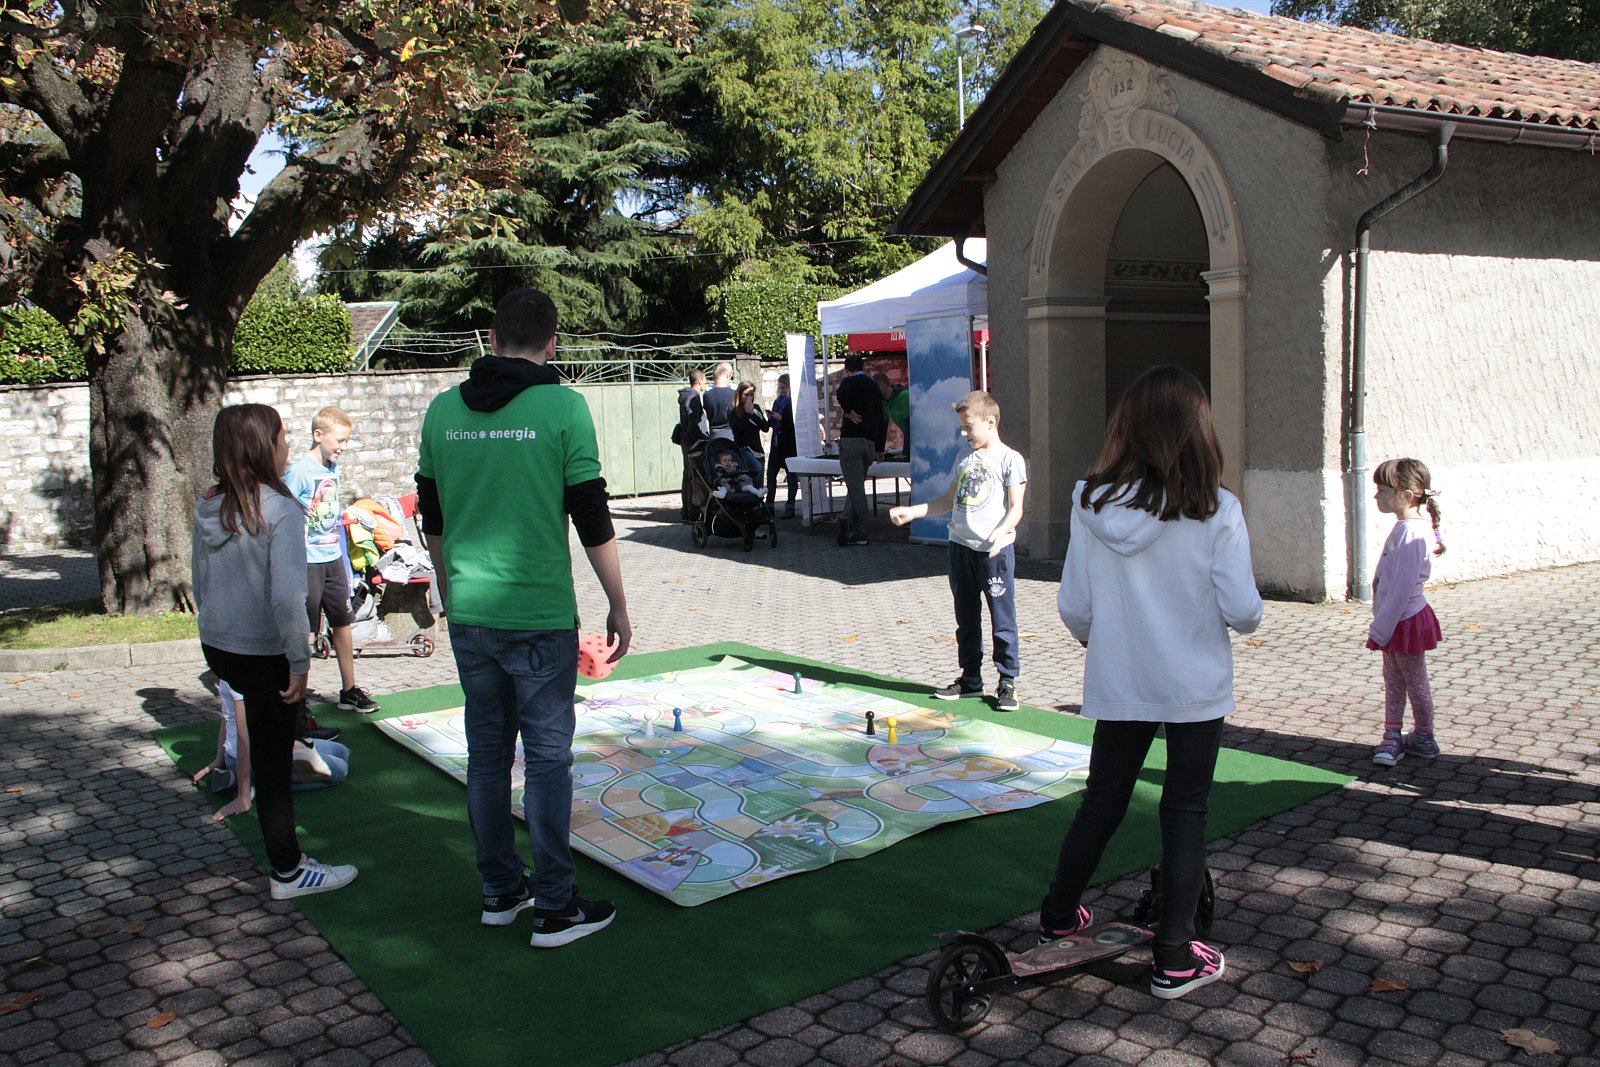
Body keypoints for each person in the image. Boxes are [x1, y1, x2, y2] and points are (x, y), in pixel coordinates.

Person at [1036, 365, 1262, 1001]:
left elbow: (1074, 605)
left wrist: (1105, 639)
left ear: (1126, 427)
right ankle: (1174, 956)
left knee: (1102, 800)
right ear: (1198, 429)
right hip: (1195, 683)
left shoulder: (1090, 502)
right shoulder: (1217, 508)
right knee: (1185, 812)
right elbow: (1244, 611)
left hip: (1122, 675)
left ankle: (1058, 916)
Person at [415, 287, 630, 949]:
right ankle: (556, 907)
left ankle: (501, 888)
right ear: (552, 343)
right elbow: (590, 512)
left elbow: (433, 517)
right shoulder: (563, 407)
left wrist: (448, 591)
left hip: (472, 612)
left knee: (486, 757)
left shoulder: (442, 410)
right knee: (545, 760)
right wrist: (619, 602)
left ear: (491, 336)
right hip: (538, 613)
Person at [191, 403, 358, 900]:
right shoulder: (280, 509)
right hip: (261, 653)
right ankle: (288, 870)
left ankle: (285, 857)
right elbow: (288, 597)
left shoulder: (209, 503)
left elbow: (200, 581)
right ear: (263, 447)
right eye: (281, 437)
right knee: (273, 761)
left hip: (220, 645)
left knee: (279, 750)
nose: (287, 446)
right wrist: (299, 663)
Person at [889, 391, 1027, 712]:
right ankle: (971, 679)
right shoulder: (963, 458)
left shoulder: (1010, 459)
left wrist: (1000, 534)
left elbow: (1016, 508)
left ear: (990, 422)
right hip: (960, 548)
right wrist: (913, 512)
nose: (964, 433)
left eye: (969, 426)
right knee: (966, 618)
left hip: (994, 553)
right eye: (961, 427)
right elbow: (946, 501)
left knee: (1002, 619)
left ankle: (1007, 681)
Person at [284, 406, 379, 717]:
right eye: (339, 440)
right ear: (318, 435)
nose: (343, 446)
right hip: (307, 561)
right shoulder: (299, 471)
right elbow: (283, 509)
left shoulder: (332, 468)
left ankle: (349, 690)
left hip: (332, 557)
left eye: (347, 440)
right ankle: (297, 698)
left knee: (342, 621)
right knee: (305, 628)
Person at [1367, 457, 1445, 765]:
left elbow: (1401, 587)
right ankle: (1393, 735)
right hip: (1395, 621)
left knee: (1414, 682)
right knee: (1394, 681)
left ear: (1407, 495)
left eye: (1383, 490)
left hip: (1404, 621)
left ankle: (1423, 736)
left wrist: (1381, 628)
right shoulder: (1405, 528)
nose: (1377, 496)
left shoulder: (1412, 532)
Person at [191, 680, 350, 815]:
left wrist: (220, 759)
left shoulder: (233, 671)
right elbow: (242, 735)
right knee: (340, 772)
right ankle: (251, 785)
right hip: (257, 759)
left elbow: (227, 719)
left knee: (342, 751)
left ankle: (240, 775)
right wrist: (243, 795)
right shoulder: (243, 677)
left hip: (273, 745)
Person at [834, 354, 883, 546]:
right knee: (855, 485)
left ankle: (861, 531)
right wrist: (880, 446)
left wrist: (847, 411)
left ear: (847, 370)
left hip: (851, 441)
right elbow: (882, 417)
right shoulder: (873, 386)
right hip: (869, 443)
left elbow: (840, 392)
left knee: (857, 489)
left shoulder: (848, 383)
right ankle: (846, 518)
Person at [766, 373, 799, 518]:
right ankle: (769, 505)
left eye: (784, 387)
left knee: (791, 475)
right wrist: (771, 418)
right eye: (779, 387)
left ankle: (790, 506)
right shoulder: (777, 402)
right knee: (771, 474)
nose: (781, 390)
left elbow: (793, 423)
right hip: (776, 442)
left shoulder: (792, 403)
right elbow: (772, 424)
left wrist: (781, 418)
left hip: (788, 443)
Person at [676, 369, 708, 521]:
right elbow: (693, 423)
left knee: (688, 475)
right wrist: (702, 437)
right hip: (693, 442)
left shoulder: (686, 397)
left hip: (687, 441)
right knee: (693, 477)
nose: (705, 383)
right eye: (705, 380)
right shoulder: (693, 398)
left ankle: (687, 510)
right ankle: (691, 512)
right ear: (700, 381)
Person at [729, 381, 770, 486]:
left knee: (759, 479)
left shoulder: (755, 408)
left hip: (757, 449)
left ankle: (758, 494)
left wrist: (753, 414)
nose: (749, 398)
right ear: (739, 395)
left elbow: (765, 427)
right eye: (746, 395)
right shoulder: (733, 411)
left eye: (751, 395)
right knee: (758, 469)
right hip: (744, 449)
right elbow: (738, 432)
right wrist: (746, 414)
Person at [875, 371, 910, 456]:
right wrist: (879, 451)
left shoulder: (905, 396)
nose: (873, 392)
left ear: (882, 384)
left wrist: (906, 452)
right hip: (911, 440)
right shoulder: (884, 402)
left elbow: (909, 426)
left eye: (874, 388)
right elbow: (882, 428)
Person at [702, 362, 737, 443]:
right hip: (732, 436)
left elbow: (705, 414)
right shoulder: (734, 393)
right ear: (727, 375)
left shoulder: (707, 394)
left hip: (714, 436)